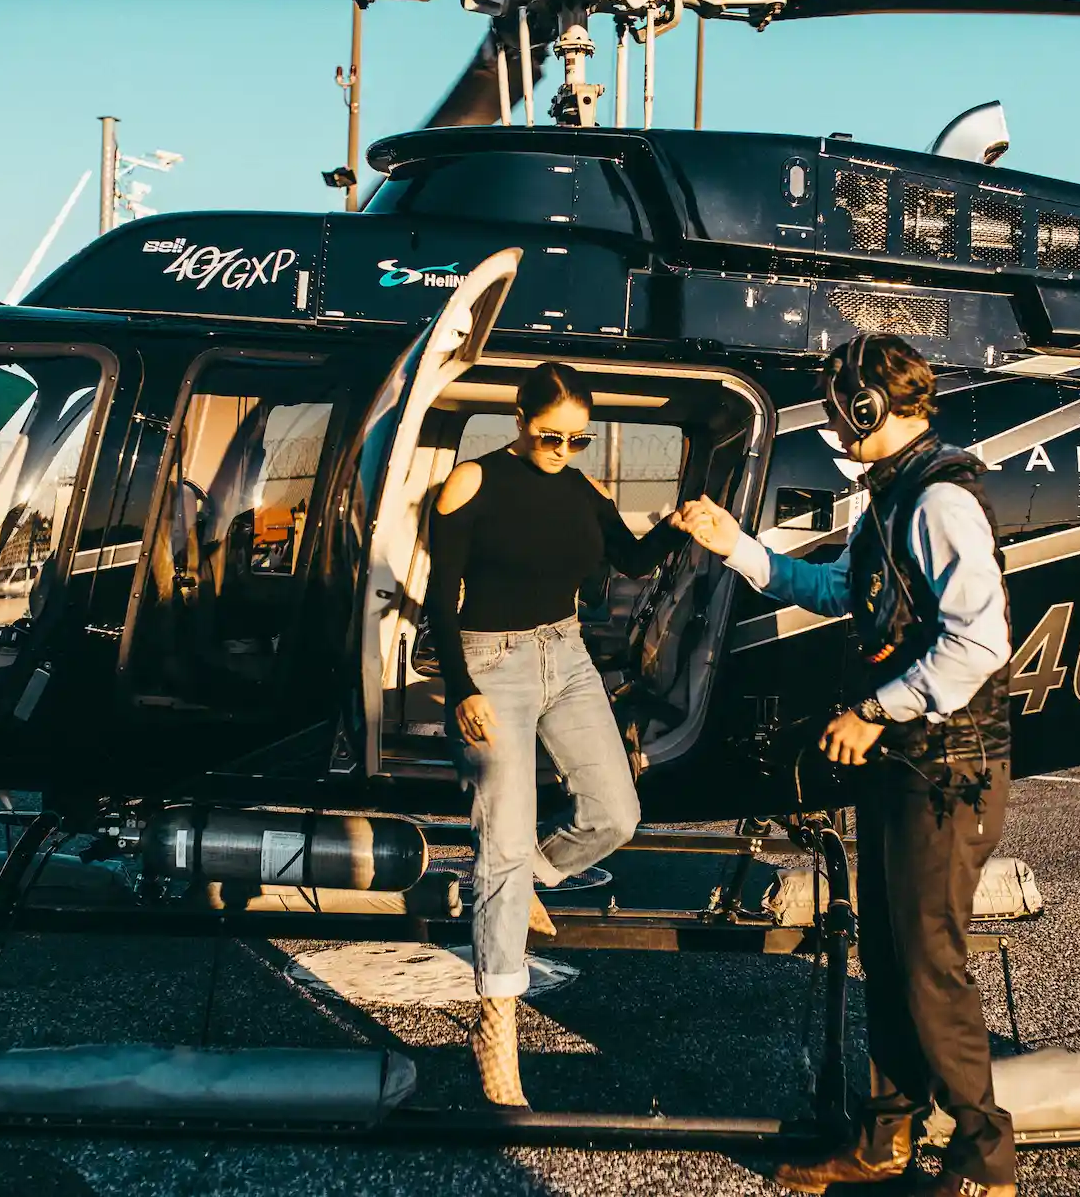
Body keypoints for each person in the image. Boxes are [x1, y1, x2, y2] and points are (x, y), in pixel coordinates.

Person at [677, 333, 1017, 1196]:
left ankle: (984, 1157)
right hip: (910, 765)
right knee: (890, 955)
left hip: (946, 768)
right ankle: (886, 1137)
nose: (833, 424)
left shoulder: (938, 501)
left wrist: (871, 710)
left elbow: (979, 642)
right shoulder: (893, 502)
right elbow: (842, 593)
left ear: (870, 406)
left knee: (928, 962)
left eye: (840, 408)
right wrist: (737, 547)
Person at [427, 361, 690, 1108]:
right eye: (551, 436)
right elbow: (439, 601)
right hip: (490, 662)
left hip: (566, 654)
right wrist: (460, 691)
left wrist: (679, 523)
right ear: (520, 419)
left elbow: (632, 559)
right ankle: (495, 1024)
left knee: (616, 811)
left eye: (578, 439)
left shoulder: (582, 487)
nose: (563, 450)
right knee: (499, 844)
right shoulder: (471, 484)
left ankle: (535, 875)